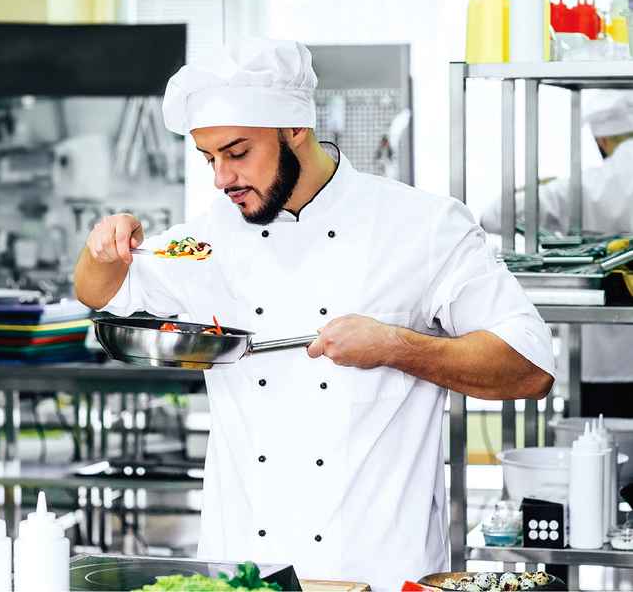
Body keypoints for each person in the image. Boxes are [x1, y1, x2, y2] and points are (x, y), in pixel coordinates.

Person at [74, 39, 555, 590]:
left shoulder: (423, 226)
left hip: (377, 568)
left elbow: (531, 368)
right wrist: (102, 247)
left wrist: (399, 347)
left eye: (237, 152)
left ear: (294, 128)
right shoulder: (206, 241)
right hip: (240, 572)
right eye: (209, 159)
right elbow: (99, 294)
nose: (221, 178)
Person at [481, 91, 633, 418]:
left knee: (597, 455)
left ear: (602, 139)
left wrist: (540, 184)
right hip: (608, 362)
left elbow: (494, 215)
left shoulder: (584, 186)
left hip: (599, 366)